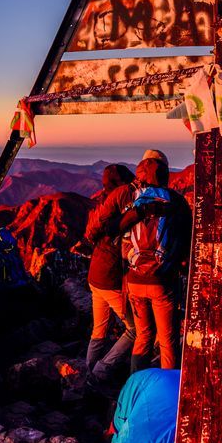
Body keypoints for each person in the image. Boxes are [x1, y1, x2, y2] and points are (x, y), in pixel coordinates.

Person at [119, 154, 190, 370]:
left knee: (143, 336)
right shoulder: (176, 202)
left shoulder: (133, 204)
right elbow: (187, 241)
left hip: (134, 280)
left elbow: (122, 244)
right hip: (162, 282)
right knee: (168, 342)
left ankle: (135, 387)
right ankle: (168, 392)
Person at [82, 163, 137, 381]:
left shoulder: (102, 205)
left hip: (95, 275)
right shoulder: (122, 207)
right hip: (110, 278)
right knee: (136, 329)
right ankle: (101, 371)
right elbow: (126, 247)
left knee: (99, 330)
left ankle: (88, 375)